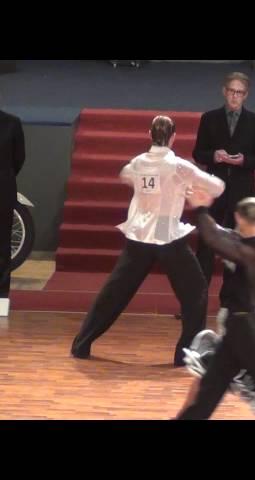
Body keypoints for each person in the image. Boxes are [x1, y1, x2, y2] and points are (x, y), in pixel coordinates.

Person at [70, 116, 225, 366]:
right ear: (173, 137)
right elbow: (217, 187)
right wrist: (185, 189)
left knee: (114, 293)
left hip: (139, 233)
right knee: (195, 293)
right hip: (166, 232)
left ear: (149, 134)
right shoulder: (178, 166)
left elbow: (126, 176)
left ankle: (81, 344)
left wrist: (168, 190)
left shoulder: (138, 162)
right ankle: (185, 354)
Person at [175, 197, 255, 420]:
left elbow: (213, 239)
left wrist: (201, 208)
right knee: (210, 389)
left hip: (243, 325)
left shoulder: (246, 251)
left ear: (238, 218)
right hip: (245, 323)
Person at [192, 72, 255, 286]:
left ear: (246, 95)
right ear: (224, 92)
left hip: (242, 192)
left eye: (240, 92)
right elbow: (198, 153)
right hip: (214, 190)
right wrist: (214, 156)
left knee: (240, 245)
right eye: (232, 91)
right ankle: (199, 296)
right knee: (206, 244)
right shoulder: (209, 119)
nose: (235, 96)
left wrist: (244, 161)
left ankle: (233, 299)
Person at [0, 109, 25, 307]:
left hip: (3, 190)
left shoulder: (12, 122)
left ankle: (1, 297)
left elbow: (19, 158)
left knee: (2, 243)